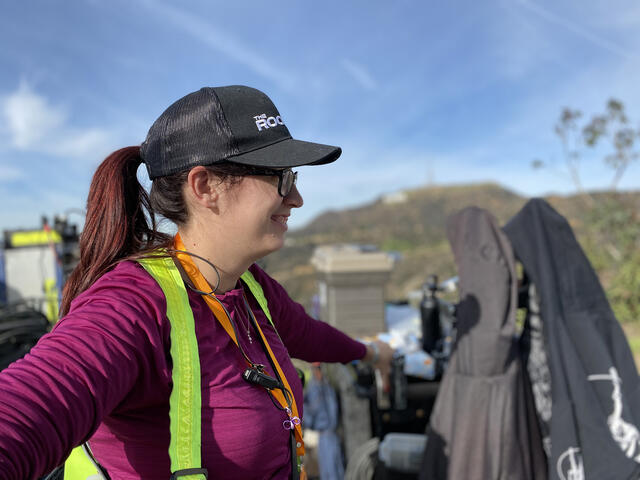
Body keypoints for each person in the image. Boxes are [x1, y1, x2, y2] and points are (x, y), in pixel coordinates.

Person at [0, 85, 392, 480]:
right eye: (282, 177)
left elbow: (306, 333)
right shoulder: (133, 304)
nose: (297, 199)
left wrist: (371, 353)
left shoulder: (250, 288)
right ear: (205, 187)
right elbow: (29, 408)